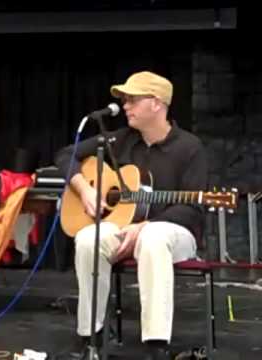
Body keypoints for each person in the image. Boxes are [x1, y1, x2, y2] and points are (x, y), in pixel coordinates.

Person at [55, 71, 208, 360]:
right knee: (89, 237)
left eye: (133, 100)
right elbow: (66, 155)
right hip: (124, 227)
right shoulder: (120, 140)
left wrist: (149, 224)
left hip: (175, 233)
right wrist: (85, 191)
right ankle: (91, 335)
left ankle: (156, 344)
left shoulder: (190, 148)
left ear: (157, 103)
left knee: (153, 236)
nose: (125, 106)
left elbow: (193, 208)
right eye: (124, 100)